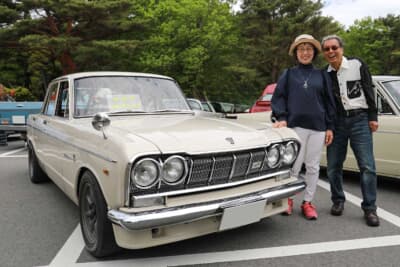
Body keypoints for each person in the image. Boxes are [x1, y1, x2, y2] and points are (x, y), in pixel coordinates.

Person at [271, 34, 336, 220]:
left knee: (313, 166)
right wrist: (281, 117)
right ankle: (288, 199)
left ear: (314, 53)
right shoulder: (289, 74)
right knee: (294, 165)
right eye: (301, 49)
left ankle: (308, 202)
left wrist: (330, 126)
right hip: (295, 126)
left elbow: (329, 102)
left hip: (318, 126)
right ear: (296, 53)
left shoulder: (322, 75)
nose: (305, 53)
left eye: (309, 49)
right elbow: (279, 97)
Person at [321, 35, 380, 227]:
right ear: (324, 53)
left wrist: (373, 116)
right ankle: (338, 200)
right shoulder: (325, 74)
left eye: (334, 47)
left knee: (367, 167)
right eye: (327, 49)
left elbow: (369, 89)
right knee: (333, 167)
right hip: (337, 123)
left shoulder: (357, 65)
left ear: (341, 49)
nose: (331, 51)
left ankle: (370, 208)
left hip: (360, 120)